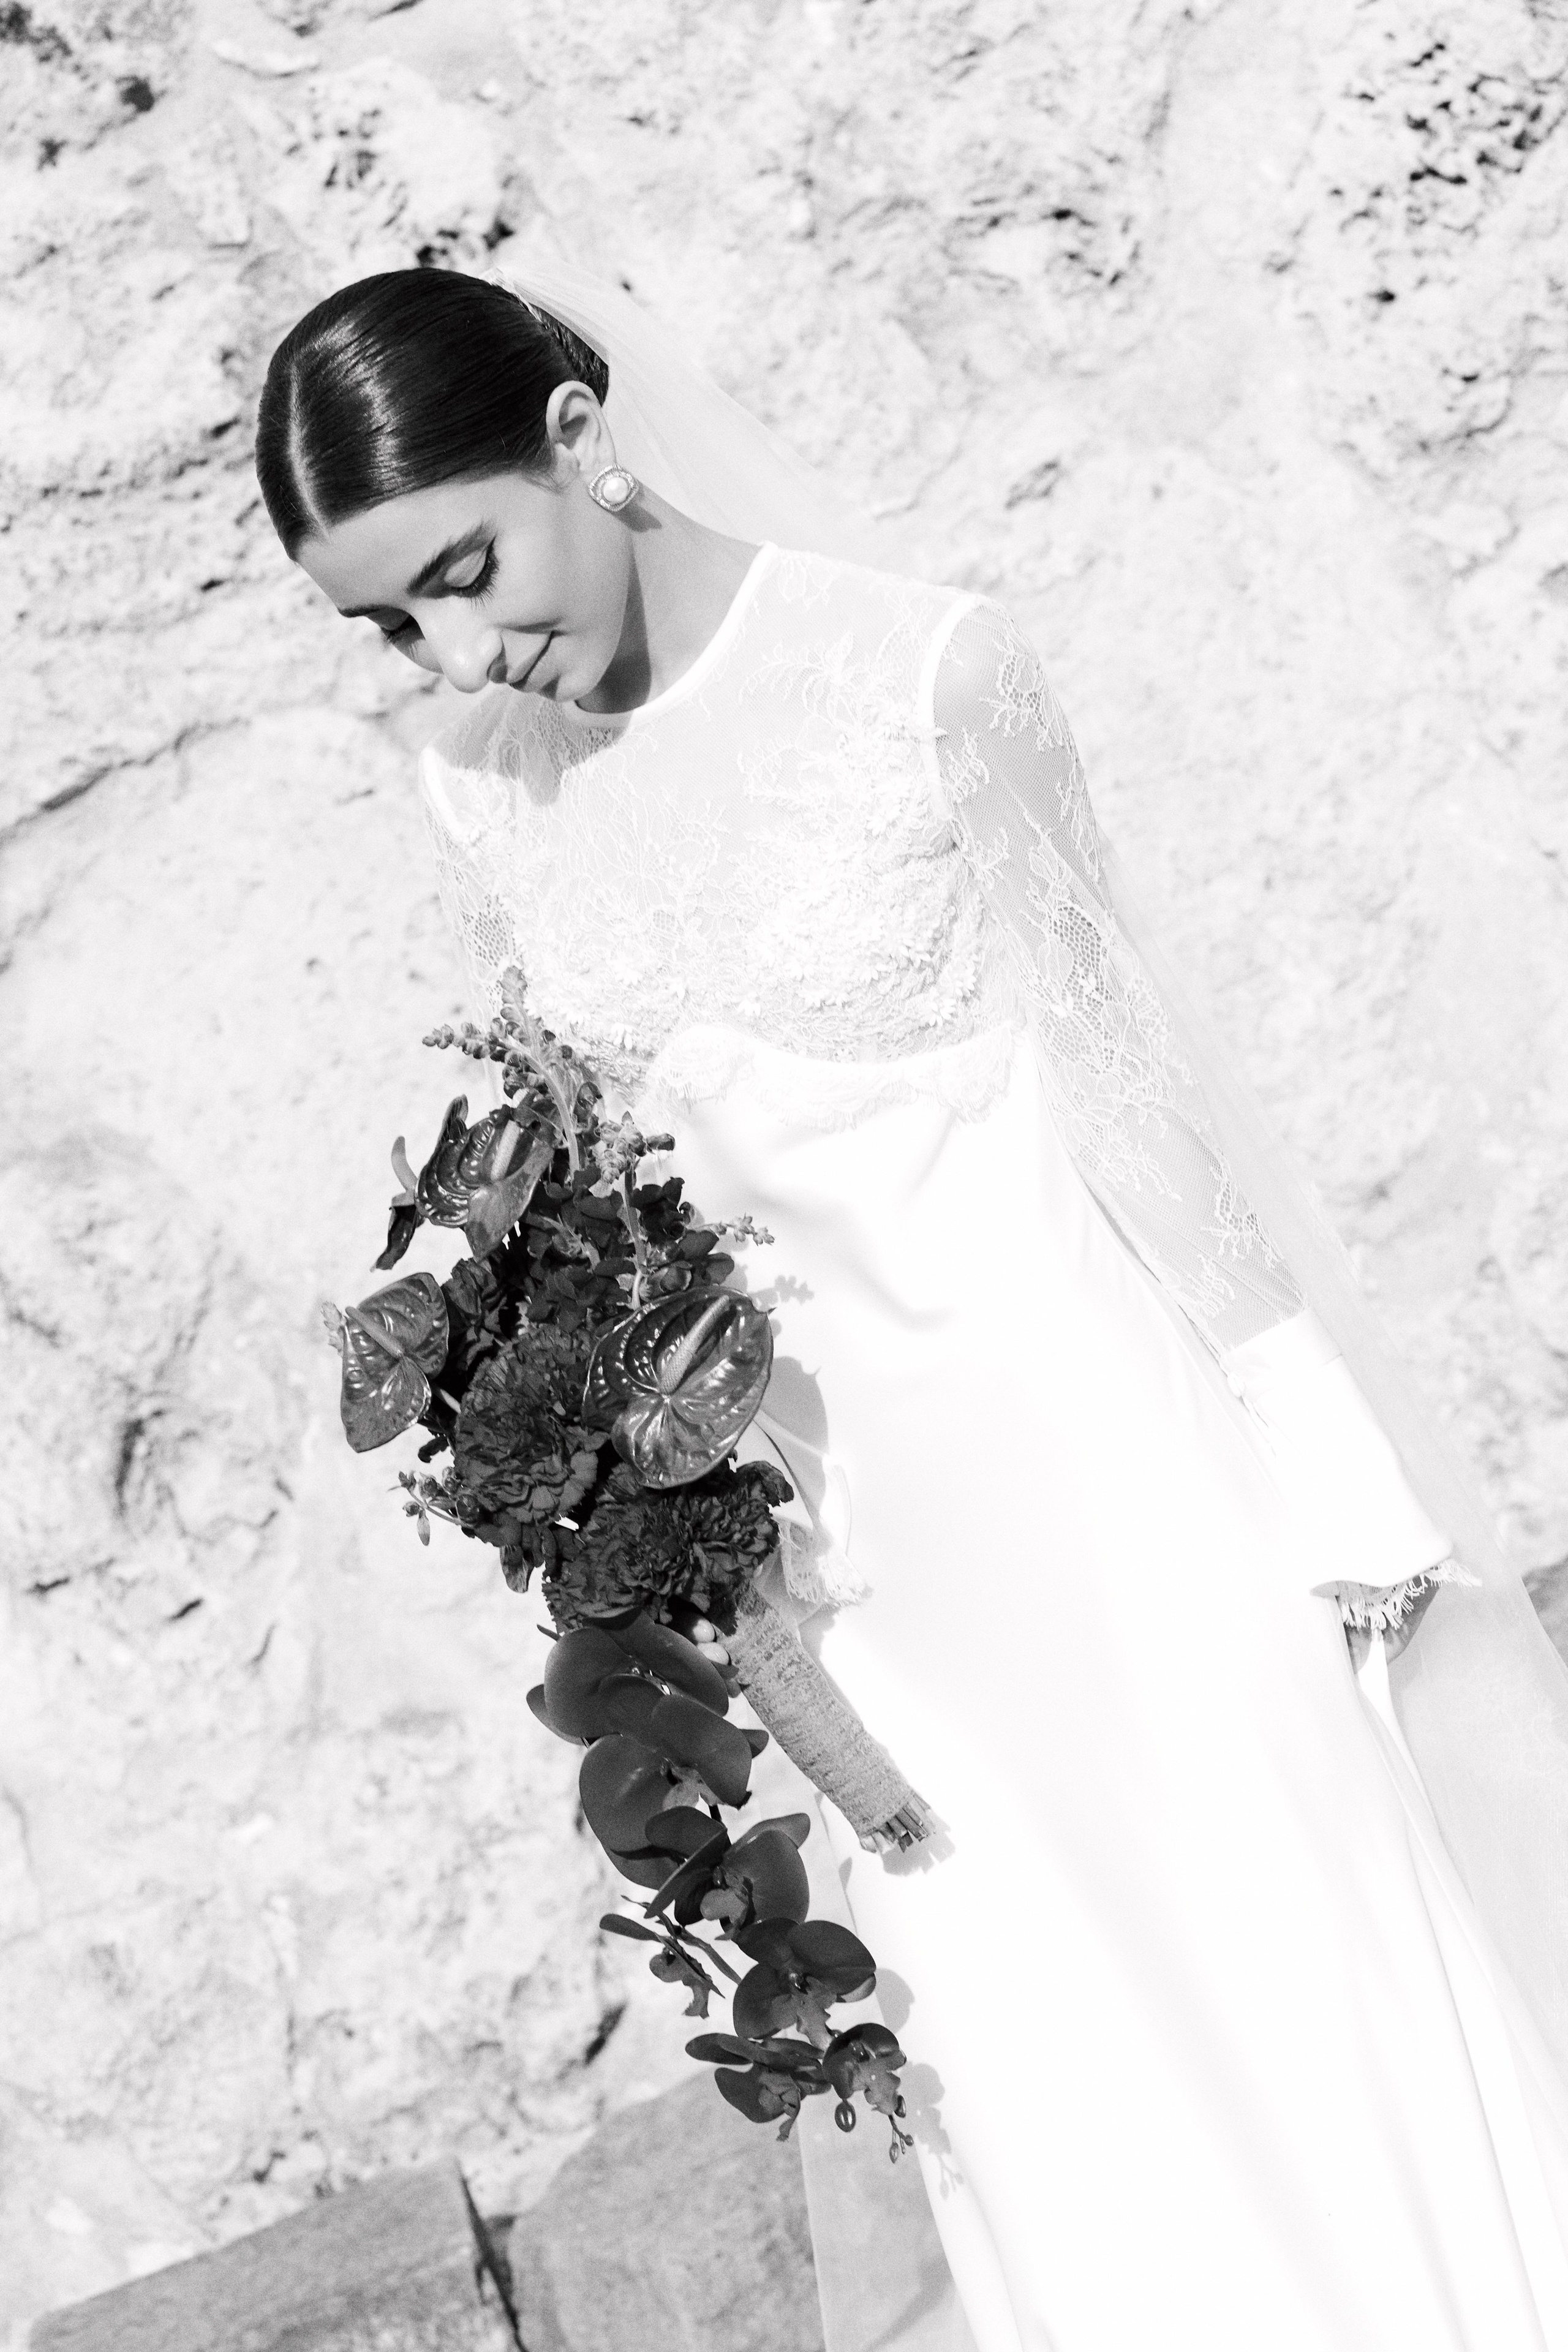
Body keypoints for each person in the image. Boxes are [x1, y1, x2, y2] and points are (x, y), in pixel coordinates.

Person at [255, 263, 1568, 2351]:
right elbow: (587, 1189)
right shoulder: (478, 784)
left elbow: (1130, 1094)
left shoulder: (928, 677)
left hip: (1124, 1510)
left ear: (584, 439)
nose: (450, 649)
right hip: (865, 1596)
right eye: (389, 623)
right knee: (1061, 2118)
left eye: (464, 571)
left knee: (1293, 2032)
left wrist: (1331, 1461)